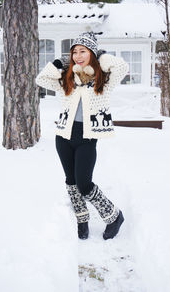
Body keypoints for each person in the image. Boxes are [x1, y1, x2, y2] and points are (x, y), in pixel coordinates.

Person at [35, 32, 129, 240]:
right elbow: (40, 79)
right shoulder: (66, 79)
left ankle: (113, 216)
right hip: (64, 137)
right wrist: (60, 63)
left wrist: (102, 56)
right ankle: (82, 219)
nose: (77, 55)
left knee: (84, 184)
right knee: (71, 181)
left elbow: (122, 67)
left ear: (92, 54)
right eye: (74, 52)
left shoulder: (103, 80)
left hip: (87, 138)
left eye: (82, 51)